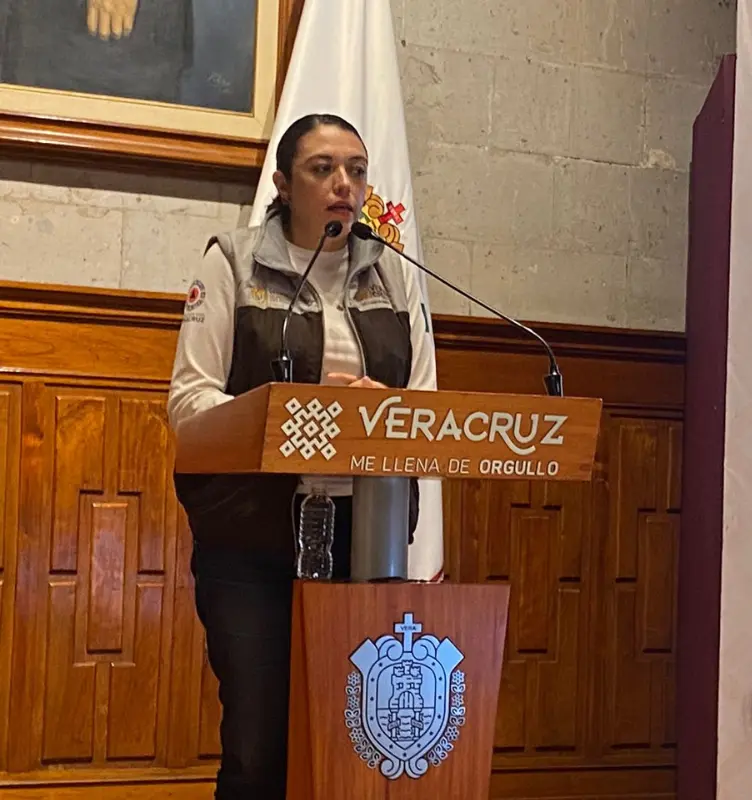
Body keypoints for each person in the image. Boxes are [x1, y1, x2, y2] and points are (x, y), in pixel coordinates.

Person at [166, 113, 436, 799]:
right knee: (259, 751)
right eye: (323, 168)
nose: (344, 184)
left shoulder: (396, 274)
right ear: (284, 185)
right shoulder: (233, 261)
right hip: (253, 540)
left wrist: (385, 411)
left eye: (356, 169)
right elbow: (190, 405)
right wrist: (295, 411)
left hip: (367, 543)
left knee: (357, 750)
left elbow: (429, 410)